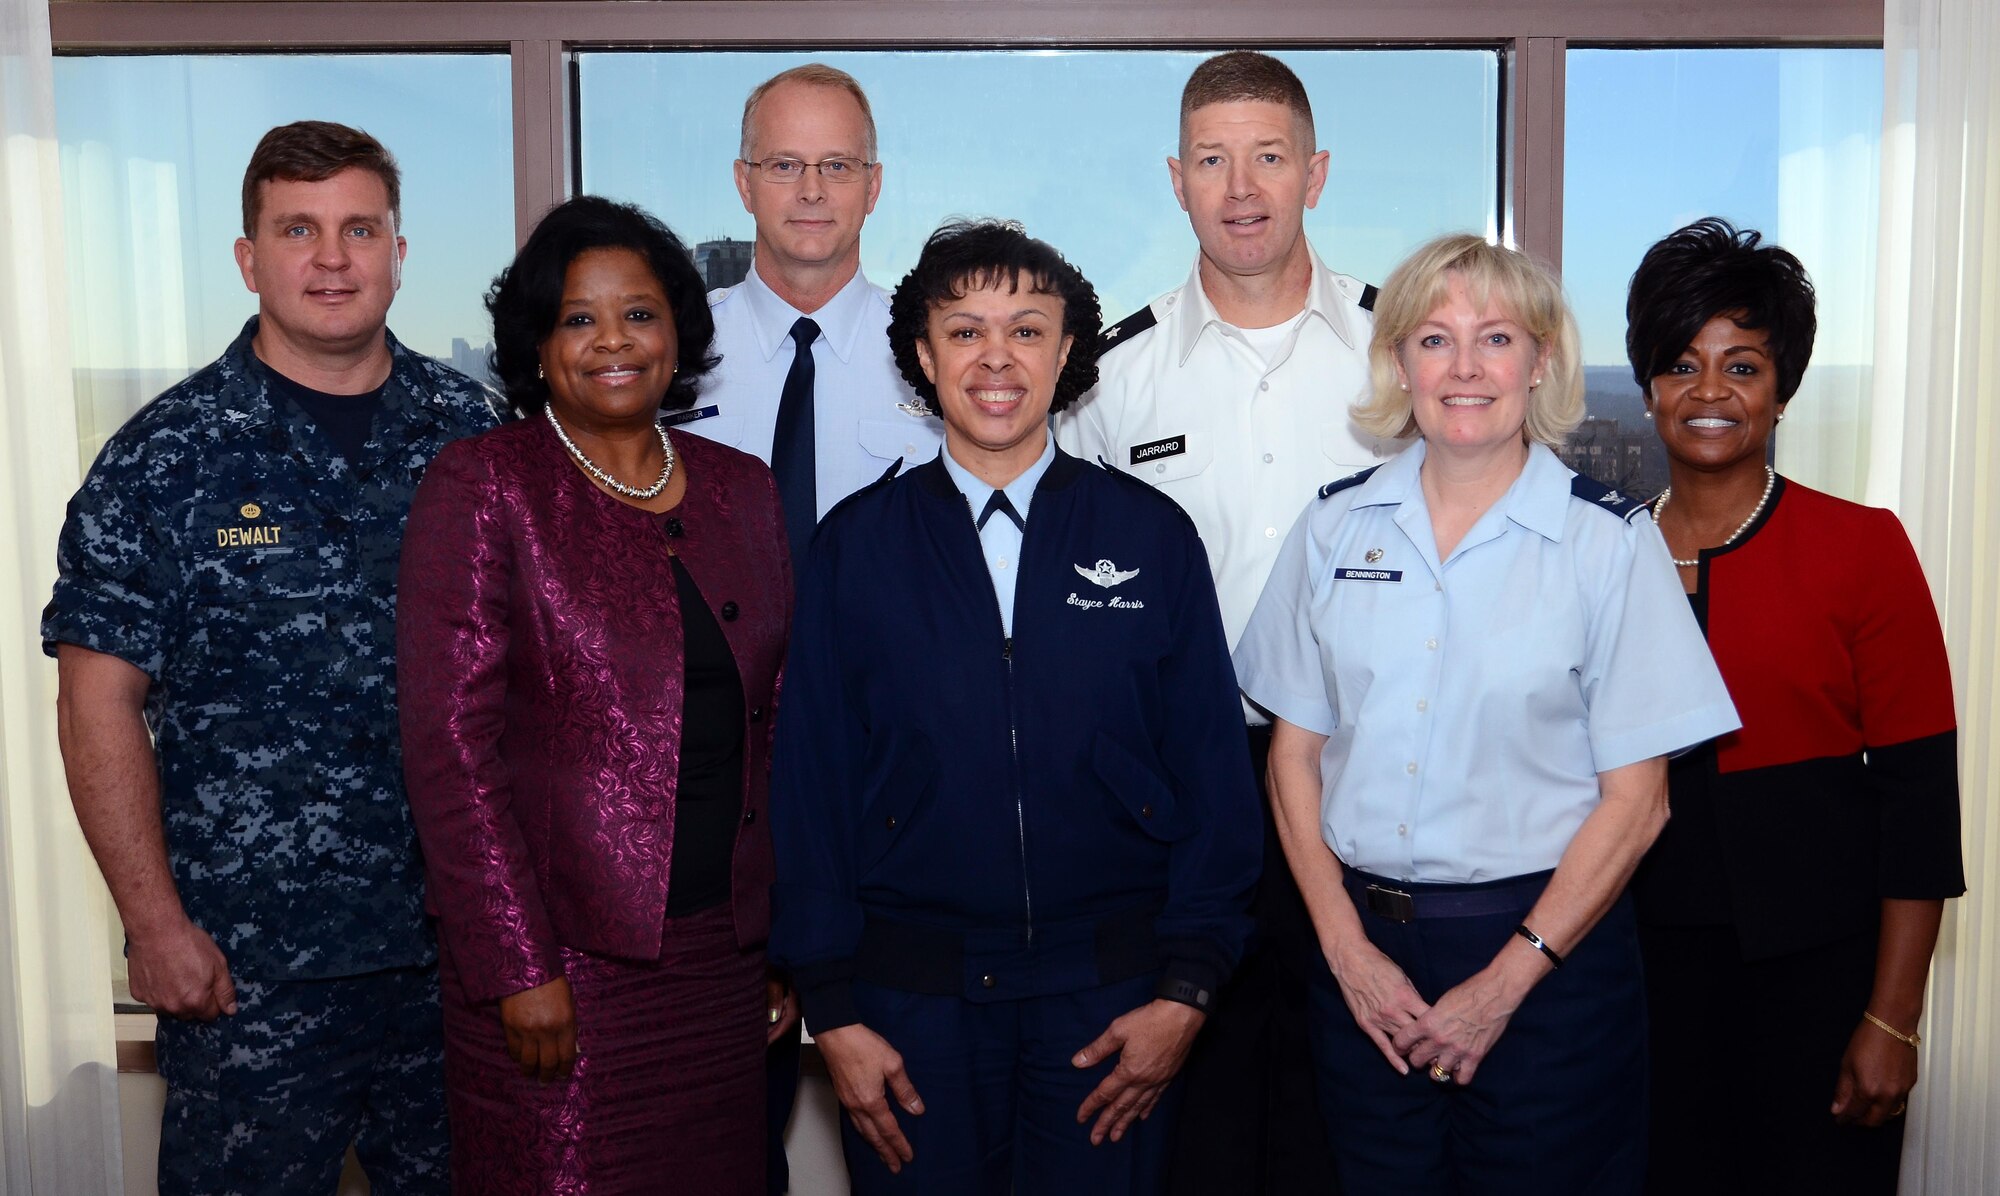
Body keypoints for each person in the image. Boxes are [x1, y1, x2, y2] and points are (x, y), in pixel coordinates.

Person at [42, 120, 500, 1194]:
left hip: (456, 966)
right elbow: (95, 701)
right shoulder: (161, 457)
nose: (331, 257)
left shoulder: (474, 439)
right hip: (250, 975)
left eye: (357, 228)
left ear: (397, 250)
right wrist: (152, 923)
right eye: (298, 229)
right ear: (250, 259)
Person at [1233, 233, 1741, 1194]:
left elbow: (1640, 806)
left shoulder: (1609, 544)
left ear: (1540, 362)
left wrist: (1504, 985)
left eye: (1496, 339)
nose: (1465, 368)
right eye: (1434, 339)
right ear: (1399, 363)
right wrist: (1345, 952)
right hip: (1363, 965)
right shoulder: (1333, 528)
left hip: (1549, 966)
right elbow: (1292, 757)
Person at [770, 219, 1261, 1196]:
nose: (996, 357)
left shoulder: (1149, 534)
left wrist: (1186, 989)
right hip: (907, 1007)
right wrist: (832, 1006)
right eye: (964, 330)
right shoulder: (854, 546)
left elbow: (1212, 770)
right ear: (922, 353)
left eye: (1026, 329)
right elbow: (810, 780)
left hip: (1109, 999)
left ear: (1066, 351)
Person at [395, 196, 789, 1195]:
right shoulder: (485, 483)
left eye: (639, 313)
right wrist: (516, 963)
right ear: (537, 341)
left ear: (678, 333)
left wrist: (789, 934)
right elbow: (451, 746)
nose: (613, 339)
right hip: (563, 967)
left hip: (724, 960)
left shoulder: (741, 487)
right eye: (579, 317)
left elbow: (780, 719)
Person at [1054, 50, 1392, 1192]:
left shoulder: (1404, 352)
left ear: (1316, 171)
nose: (1239, 187)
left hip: (1367, 776)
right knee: (1184, 1115)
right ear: (1174, 177)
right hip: (1176, 786)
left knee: (1349, 1102)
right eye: (1211, 159)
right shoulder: (1111, 377)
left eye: (1266, 156)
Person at [1625, 218, 1963, 1195]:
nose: (1708, 394)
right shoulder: (1600, 555)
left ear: (1780, 390)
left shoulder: (1860, 547)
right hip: (1638, 989)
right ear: (1647, 384)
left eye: (1741, 367)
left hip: (1820, 986)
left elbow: (1918, 807)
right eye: (1681, 364)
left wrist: (1891, 1017)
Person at [694, 66, 940, 1189]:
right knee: (713, 1133)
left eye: (834, 164)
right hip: (702, 798)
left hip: (888, 792)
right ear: (744, 180)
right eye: (783, 163)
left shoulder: (936, 358)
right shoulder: (663, 356)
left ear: (873, 184)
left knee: (909, 1122)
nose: (808, 189)